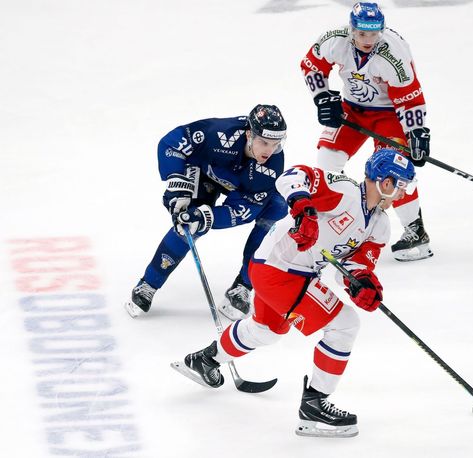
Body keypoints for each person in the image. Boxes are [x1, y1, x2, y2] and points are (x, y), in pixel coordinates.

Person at [172, 148, 416, 438]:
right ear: (385, 183)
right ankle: (315, 403)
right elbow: (293, 176)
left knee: (267, 331)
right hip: (278, 269)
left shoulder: (380, 224)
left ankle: (205, 360)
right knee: (345, 325)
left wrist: (361, 282)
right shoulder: (343, 193)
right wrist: (303, 207)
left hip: (285, 271)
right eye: (402, 186)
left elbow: (354, 264)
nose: (403, 193)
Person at [124, 104, 288, 321]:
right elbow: (171, 143)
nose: (269, 150)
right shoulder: (220, 133)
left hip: (240, 185)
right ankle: (148, 284)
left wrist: (207, 218)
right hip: (203, 173)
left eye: (276, 144)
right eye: (264, 142)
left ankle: (243, 286)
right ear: (249, 134)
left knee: (277, 207)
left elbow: (244, 210)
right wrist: (176, 182)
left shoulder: (271, 166)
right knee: (186, 225)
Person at [300, 2, 433, 262]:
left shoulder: (394, 53)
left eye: (373, 34)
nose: (368, 40)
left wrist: (416, 132)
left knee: (392, 171)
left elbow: (410, 97)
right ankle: (331, 223)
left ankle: (415, 230)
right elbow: (311, 65)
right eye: (362, 34)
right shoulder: (334, 40)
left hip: (390, 114)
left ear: (381, 31)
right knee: (327, 160)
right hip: (352, 108)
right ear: (352, 30)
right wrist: (323, 97)